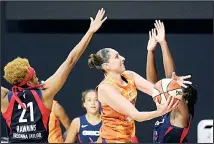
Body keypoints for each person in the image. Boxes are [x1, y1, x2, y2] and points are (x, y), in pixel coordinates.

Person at [1, 8, 107, 143]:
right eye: (34, 76)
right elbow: (71, 60)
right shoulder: (45, 93)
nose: (37, 78)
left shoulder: (5, 98)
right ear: (28, 82)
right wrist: (90, 31)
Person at [87, 38, 191, 142]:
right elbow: (136, 115)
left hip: (127, 137)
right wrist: (159, 112)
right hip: (112, 140)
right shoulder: (105, 88)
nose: (123, 58)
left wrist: (173, 84)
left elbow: (156, 90)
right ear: (107, 66)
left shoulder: (129, 75)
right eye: (117, 57)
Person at [146, 20, 197, 143]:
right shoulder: (167, 110)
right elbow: (154, 86)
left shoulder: (182, 116)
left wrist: (163, 42)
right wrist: (150, 52)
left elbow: (170, 82)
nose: (171, 91)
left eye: (178, 89)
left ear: (185, 99)